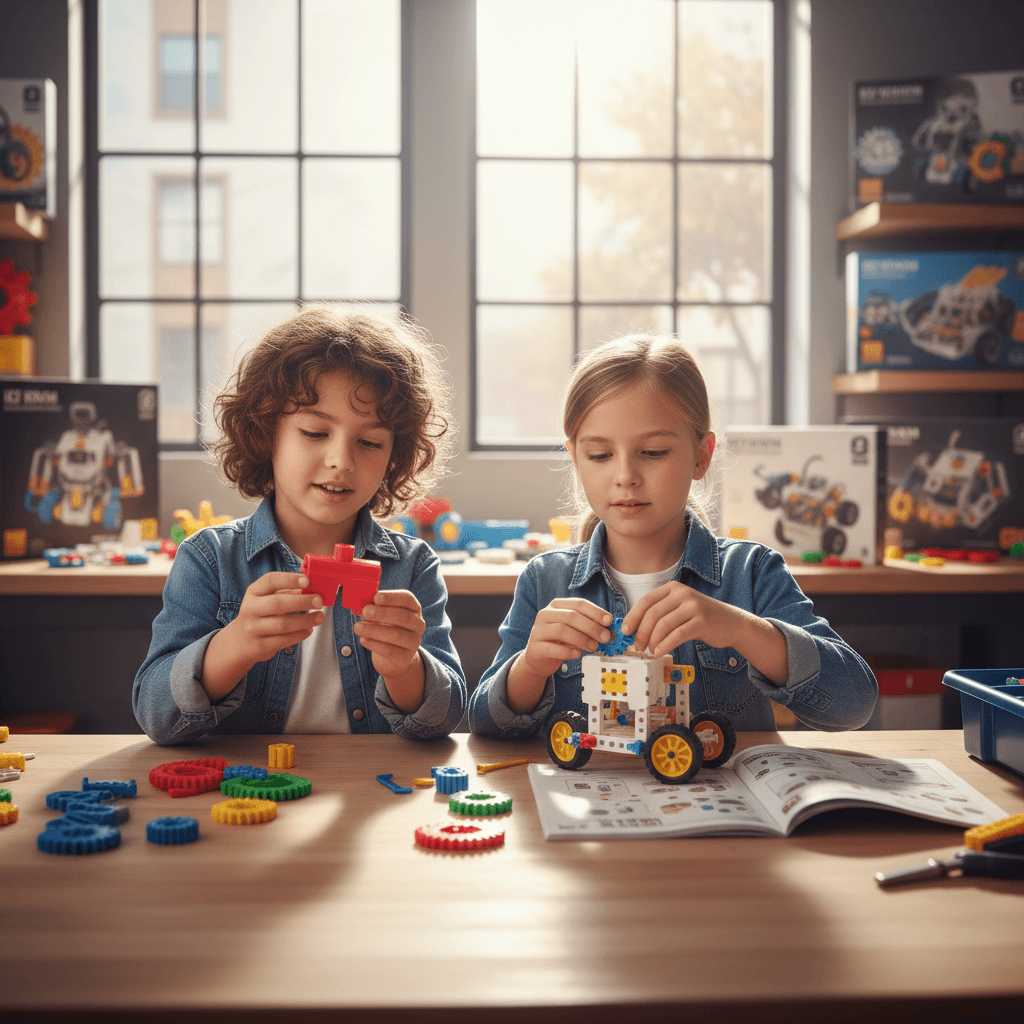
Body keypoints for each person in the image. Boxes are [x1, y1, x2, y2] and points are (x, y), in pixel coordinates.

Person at [469, 333, 877, 739]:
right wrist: (531, 667)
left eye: (653, 452)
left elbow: (853, 705)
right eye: (600, 455)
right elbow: (485, 726)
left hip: (727, 802)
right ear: (576, 459)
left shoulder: (750, 573)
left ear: (701, 457)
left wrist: (742, 629)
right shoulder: (546, 580)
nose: (625, 476)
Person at [134, 306, 467, 744]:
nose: (341, 461)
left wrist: (405, 667)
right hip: (246, 793)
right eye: (314, 432)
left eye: (370, 442)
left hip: (367, 792)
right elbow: (155, 714)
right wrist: (234, 645)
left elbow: (444, 719)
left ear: (394, 456)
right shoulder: (210, 559)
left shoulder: (412, 565)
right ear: (265, 432)